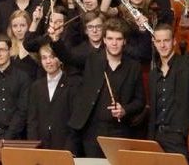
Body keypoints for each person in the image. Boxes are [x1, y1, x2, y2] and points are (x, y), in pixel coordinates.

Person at [50, 18, 145, 157]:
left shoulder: (133, 67)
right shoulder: (92, 58)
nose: (114, 43)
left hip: (119, 131)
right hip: (91, 130)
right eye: (110, 38)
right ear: (104, 40)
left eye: (118, 39)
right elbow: (68, 57)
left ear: (124, 41)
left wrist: (125, 110)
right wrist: (56, 39)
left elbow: (140, 101)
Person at [148, 22, 189, 163]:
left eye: (166, 40)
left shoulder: (188, 62)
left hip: (181, 139)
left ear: (174, 41)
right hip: (157, 139)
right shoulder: (153, 73)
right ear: (154, 43)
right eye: (159, 41)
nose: (162, 45)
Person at [27, 44, 80, 153]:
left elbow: (75, 120)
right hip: (41, 146)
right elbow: (32, 120)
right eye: (44, 58)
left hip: (64, 146)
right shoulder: (36, 86)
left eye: (52, 57)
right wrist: (33, 147)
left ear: (60, 59)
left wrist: (69, 149)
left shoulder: (72, 84)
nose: (48, 61)